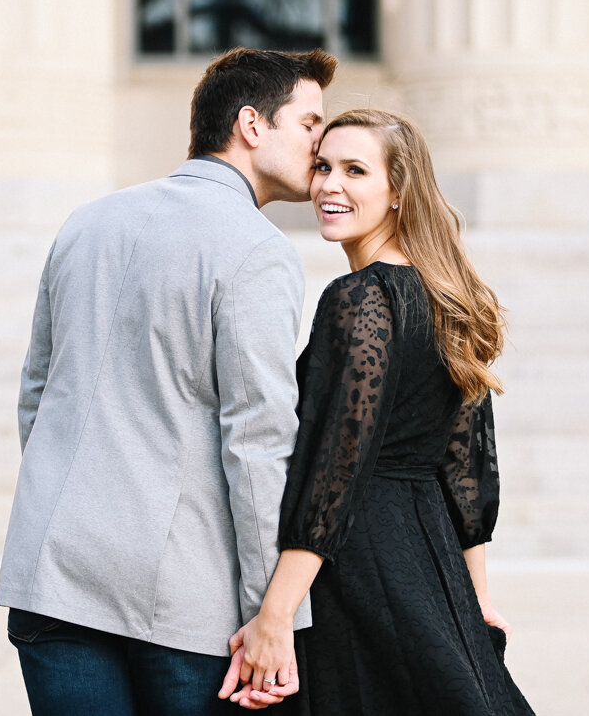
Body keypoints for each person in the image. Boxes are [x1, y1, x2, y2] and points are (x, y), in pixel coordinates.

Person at [0, 48, 338, 715]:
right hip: (179, 602)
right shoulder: (258, 249)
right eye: (310, 123)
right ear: (251, 125)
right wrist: (272, 616)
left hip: (51, 573)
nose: (320, 145)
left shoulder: (87, 222)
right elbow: (259, 444)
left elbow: (36, 392)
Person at [220, 109, 534, 714]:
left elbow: (335, 469)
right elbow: (466, 471)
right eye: (322, 167)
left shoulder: (361, 298)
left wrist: (275, 616)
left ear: (398, 192)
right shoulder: (446, 296)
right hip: (426, 554)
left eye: (355, 170)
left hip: (359, 563)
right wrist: (476, 601)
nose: (328, 186)